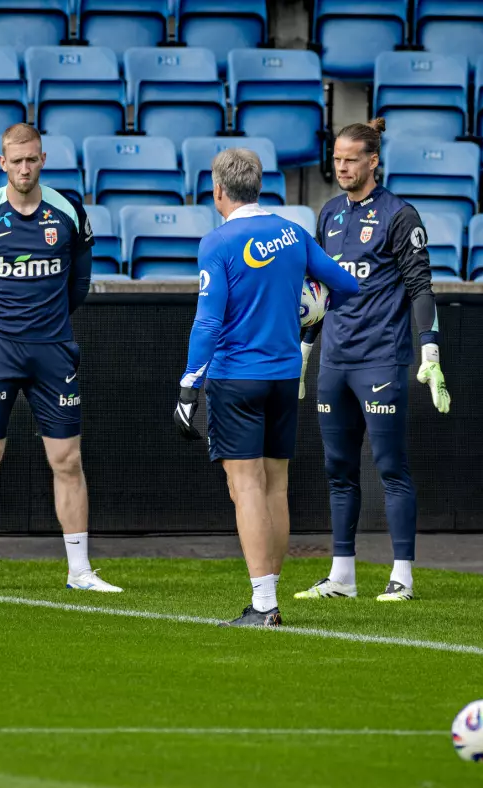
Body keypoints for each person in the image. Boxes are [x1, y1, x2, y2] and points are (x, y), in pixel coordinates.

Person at [175, 148, 359, 627]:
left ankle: (263, 605)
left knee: (246, 487)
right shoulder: (292, 232)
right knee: (275, 486)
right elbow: (345, 284)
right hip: (283, 377)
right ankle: (269, 595)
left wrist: (187, 386)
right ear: (259, 186)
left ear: (218, 190)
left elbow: (208, 321)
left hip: (236, 377)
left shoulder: (217, 242)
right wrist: (313, 306)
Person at [0, 123, 120, 593]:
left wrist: (45, 326)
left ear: (42, 160)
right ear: (1, 163)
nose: (25, 168)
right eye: (16, 160)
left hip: (53, 351)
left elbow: (78, 287)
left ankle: (80, 570)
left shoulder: (67, 213)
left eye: (32, 159)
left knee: (67, 459)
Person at [295, 119, 450, 604]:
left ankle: (402, 576)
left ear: (373, 161)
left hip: (381, 360)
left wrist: (430, 347)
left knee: (390, 468)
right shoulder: (329, 215)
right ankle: (342, 575)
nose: (341, 167)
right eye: (337, 159)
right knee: (337, 470)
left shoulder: (401, 216)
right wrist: (303, 351)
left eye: (350, 159)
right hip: (334, 362)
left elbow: (421, 287)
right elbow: (319, 292)